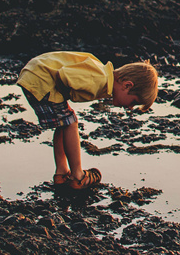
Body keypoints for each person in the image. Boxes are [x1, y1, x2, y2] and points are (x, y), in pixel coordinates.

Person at [17, 51, 158, 190]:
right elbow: (63, 75)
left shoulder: (103, 77)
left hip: (35, 74)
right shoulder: (98, 77)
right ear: (127, 85)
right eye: (133, 102)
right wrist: (63, 95)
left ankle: (61, 173)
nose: (129, 108)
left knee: (64, 124)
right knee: (71, 123)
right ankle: (78, 176)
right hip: (40, 78)